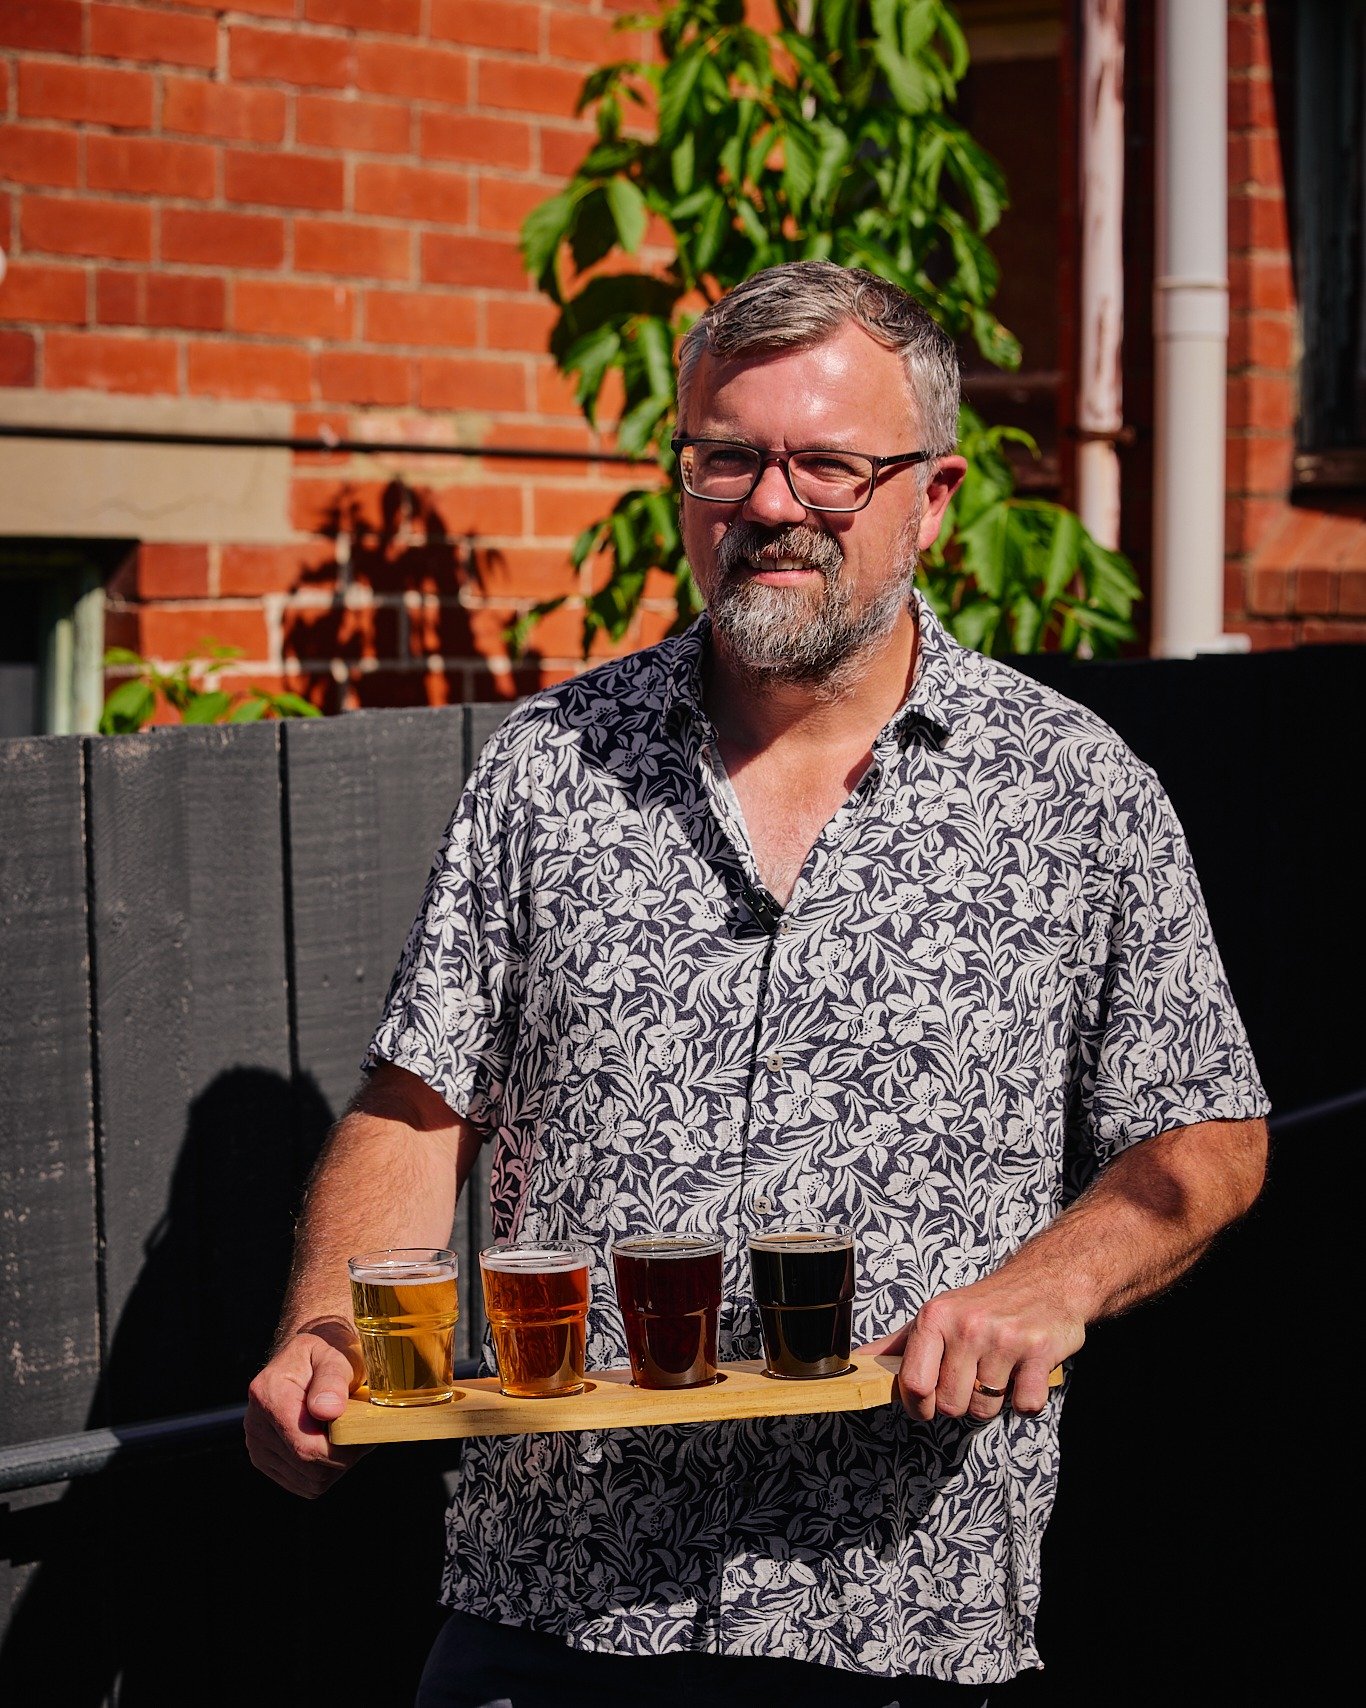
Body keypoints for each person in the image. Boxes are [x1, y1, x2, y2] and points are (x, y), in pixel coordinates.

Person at [245, 261, 1269, 1707]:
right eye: (727, 458)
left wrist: (1050, 1284)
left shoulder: (1071, 791)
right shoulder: (550, 768)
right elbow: (418, 1105)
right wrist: (324, 1328)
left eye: (828, 465)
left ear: (932, 496)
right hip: (550, 1615)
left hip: (899, 1623)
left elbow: (1206, 1133)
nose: (771, 505)